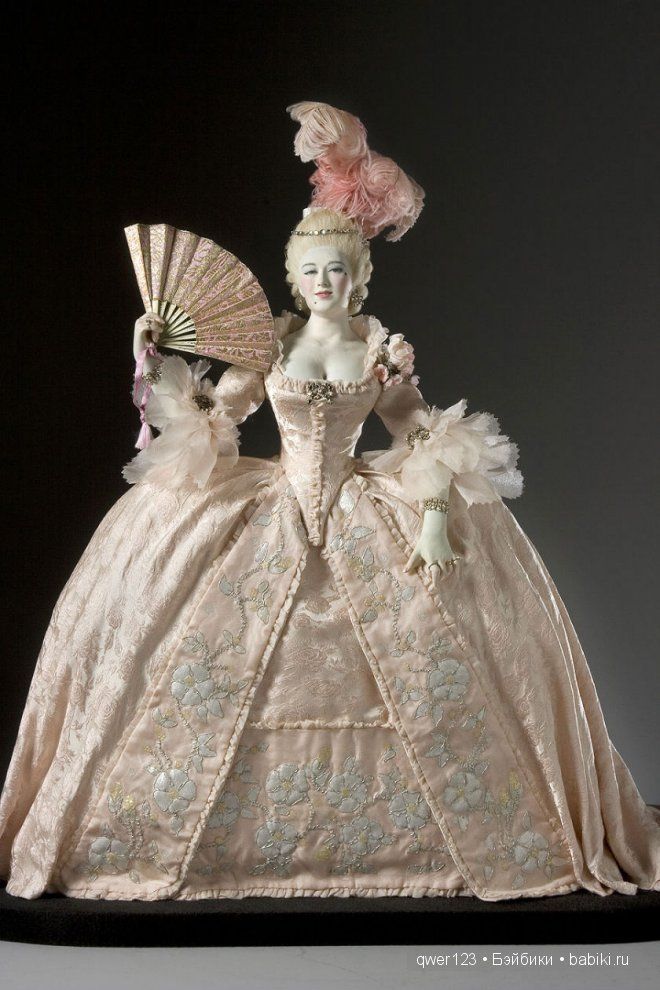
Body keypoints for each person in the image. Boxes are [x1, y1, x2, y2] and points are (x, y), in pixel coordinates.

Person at [1, 103, 658, 902]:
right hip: (273, 502)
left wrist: (436, 515)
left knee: (436, 644)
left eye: (337, 270)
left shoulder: (379, 349)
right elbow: (219, 417)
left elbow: (417, 429)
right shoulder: (270, 343)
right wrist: (156, 355)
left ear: (360, 276)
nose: (323, 283)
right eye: (311, 270)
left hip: (359, 502)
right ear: (292, 277)